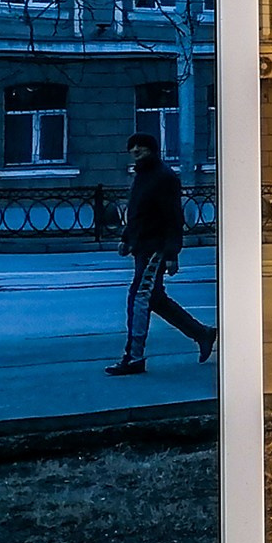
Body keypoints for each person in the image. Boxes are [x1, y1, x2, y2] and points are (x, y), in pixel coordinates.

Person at [106, 133, 217, 376]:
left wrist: (171, 253)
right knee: (154, 299)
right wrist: (126, 238)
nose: (136, 149)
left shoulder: (164, 177)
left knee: (139, 298)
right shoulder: (142, 175)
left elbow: (173, 217)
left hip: (155, 248)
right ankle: (202, 333)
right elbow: (137, 212)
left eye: (142, 146)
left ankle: (134, 358)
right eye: (132, 146)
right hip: (142, 246)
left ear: (153, 149)